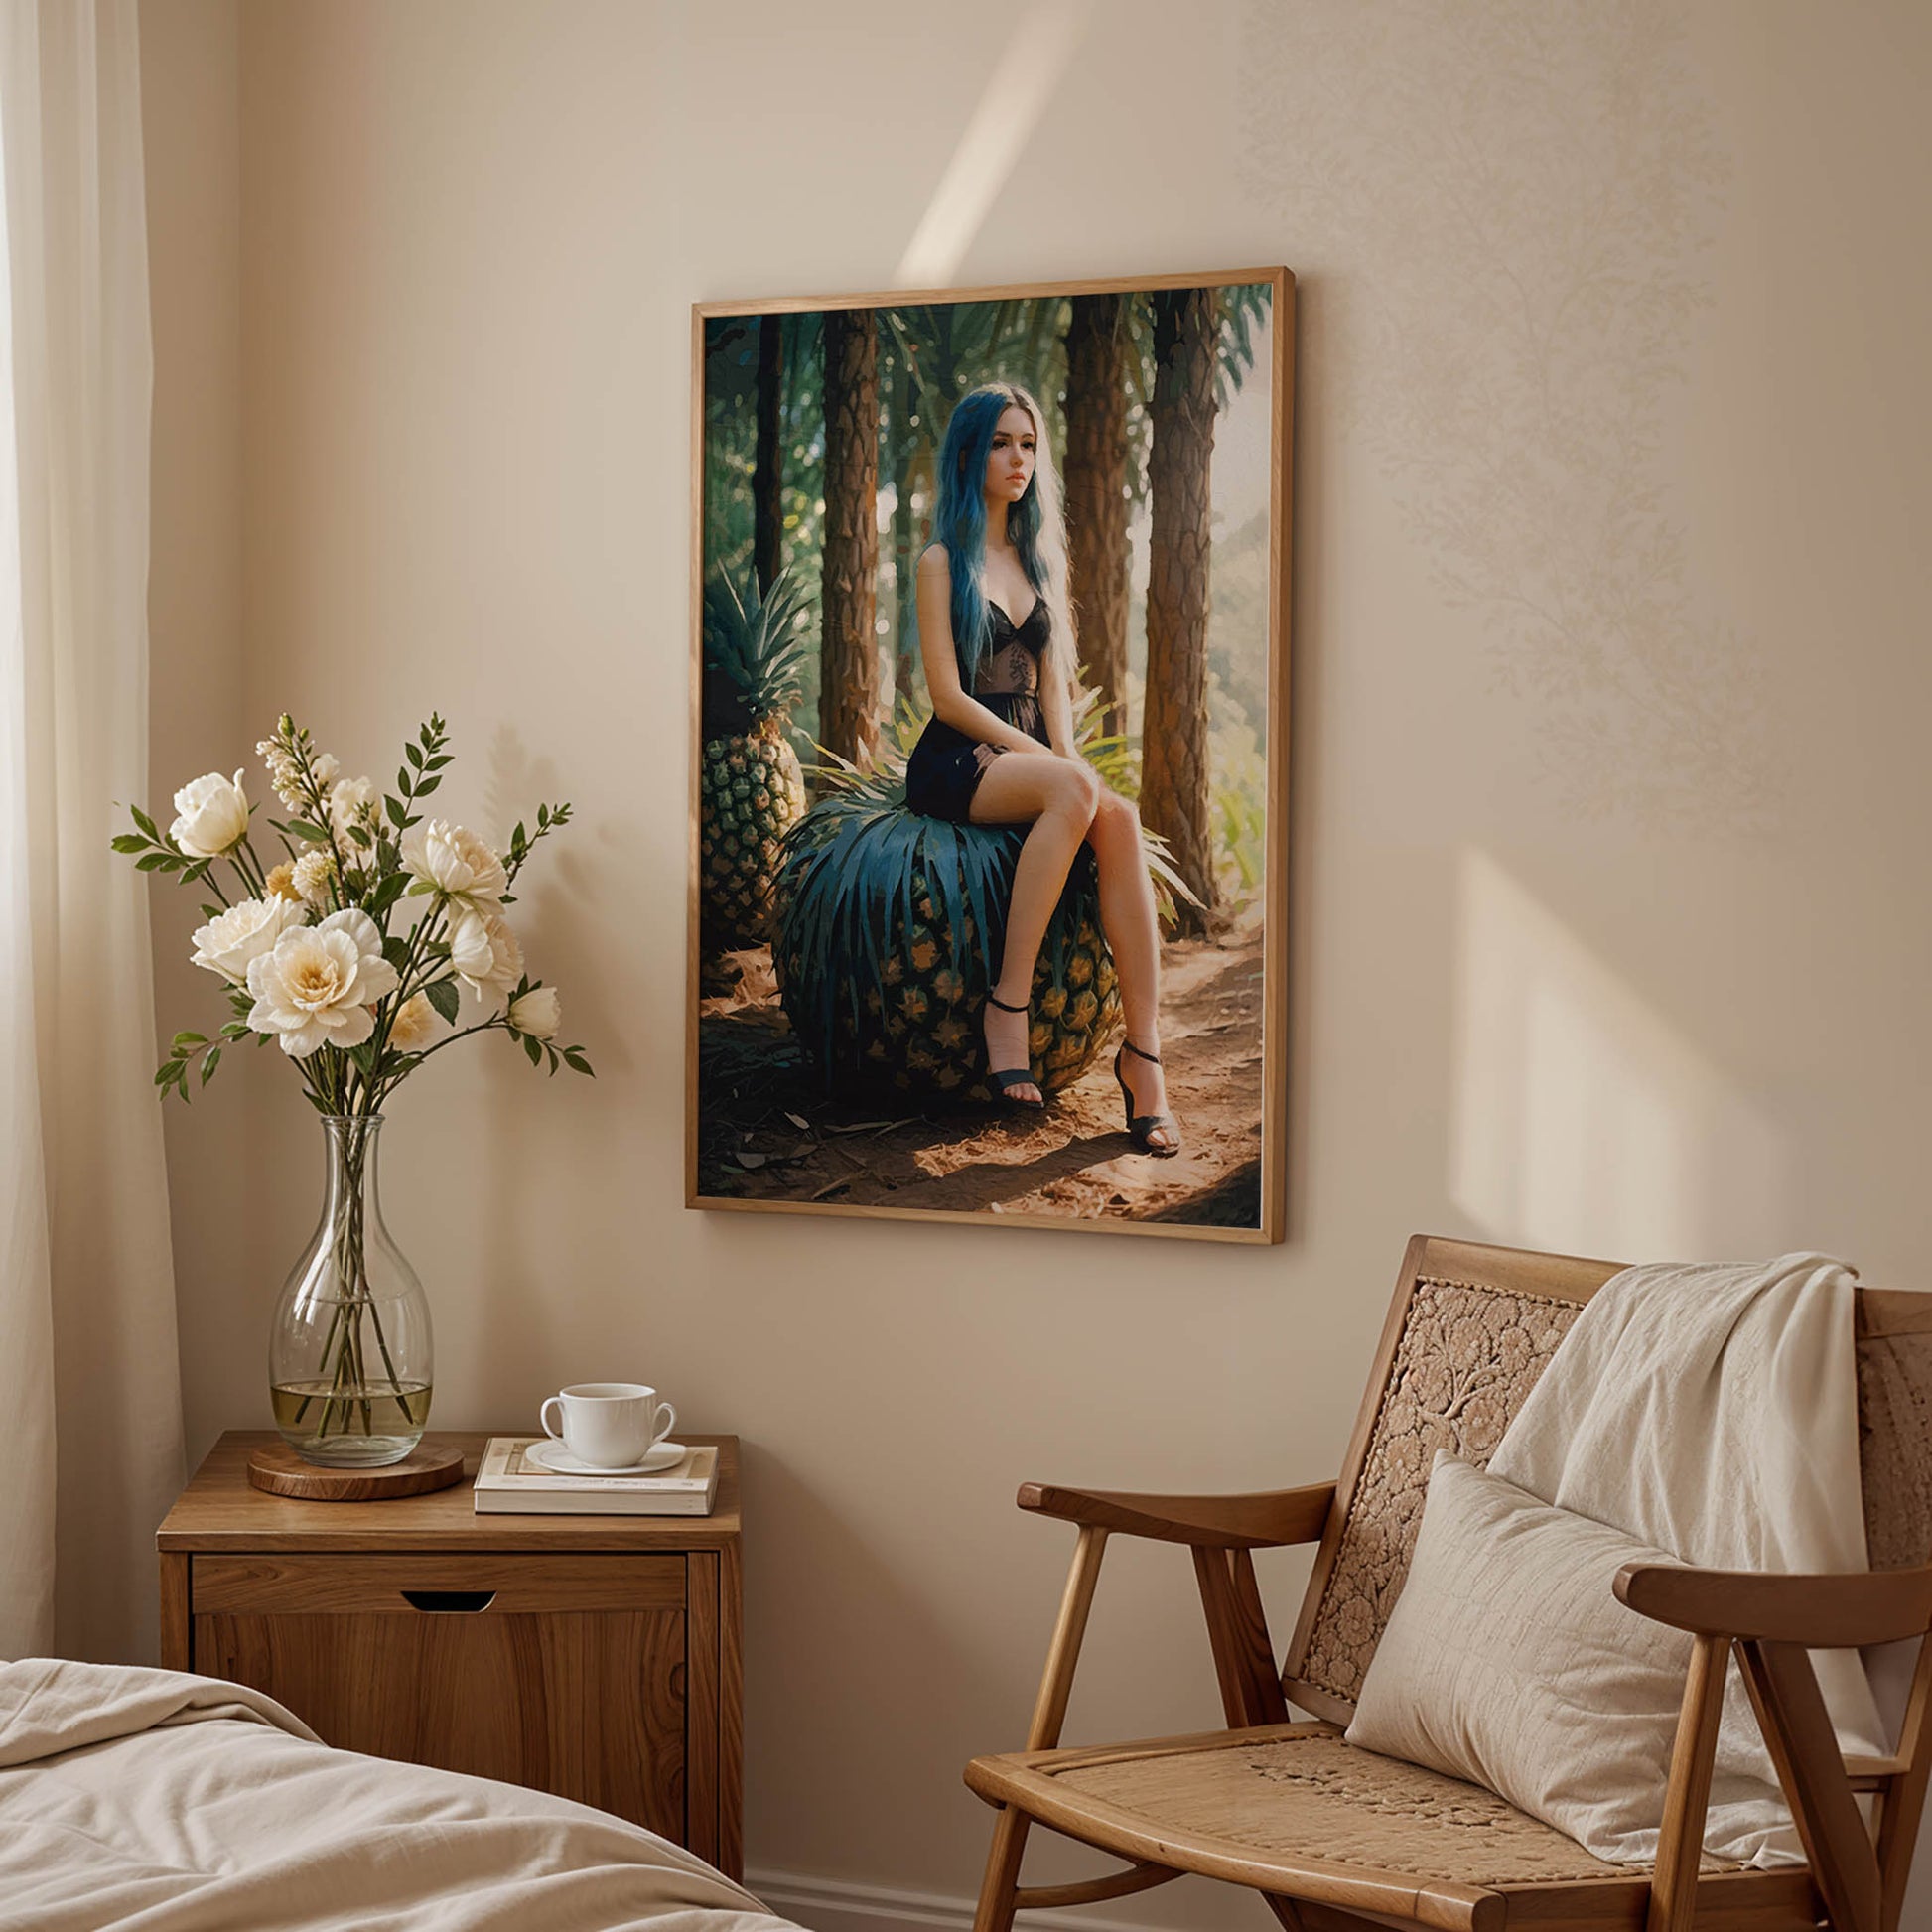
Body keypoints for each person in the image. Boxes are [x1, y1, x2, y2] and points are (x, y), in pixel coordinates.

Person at [904, 382, 1179, 1157]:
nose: (1017, 457)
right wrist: (1049, 766)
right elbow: (948, 696)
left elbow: (1055, 685)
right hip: (960, 752)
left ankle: (1145, 1054)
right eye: (1000, 442)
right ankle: (1008, 1006)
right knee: (1074, 789)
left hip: (1031, 747)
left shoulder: (1039, 560)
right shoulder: (940, 561)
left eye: (1027, 443)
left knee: (1117, 816)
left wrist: (1070, 765)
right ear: (969, 453)